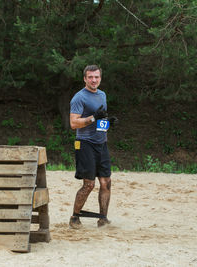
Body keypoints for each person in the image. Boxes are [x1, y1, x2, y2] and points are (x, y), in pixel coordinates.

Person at [69, 65, 117, 229]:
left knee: (106, 182)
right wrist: (93, 118)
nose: (94, 80)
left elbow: (99, 121)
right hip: (85, 144)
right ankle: (75, 218)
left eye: (96, 77)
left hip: (101, 143)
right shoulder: (79, 98)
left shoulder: (102, 95)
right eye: (90, 77)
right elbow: (74, 123)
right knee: (89, 184)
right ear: (85, 79)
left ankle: (103, 218)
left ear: (100, 78)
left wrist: (107, 122)